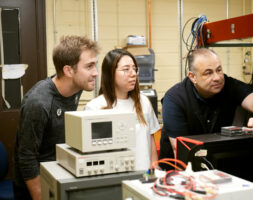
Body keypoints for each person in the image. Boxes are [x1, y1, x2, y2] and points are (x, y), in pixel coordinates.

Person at [13, 35, 99, 200]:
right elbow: (26, 157)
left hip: (58, 173)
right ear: (68, 70)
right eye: (89, 66)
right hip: (33, 184)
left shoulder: (77, 87)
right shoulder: (39, 103)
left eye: (95, 65)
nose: (95, 73)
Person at [159, 48, 253, 167]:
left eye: (219, 70)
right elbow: (180, 151)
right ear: (192, 77)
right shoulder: (175, 99)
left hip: (215, 165)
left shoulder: (230, 86)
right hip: (178, 170)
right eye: (208, 73)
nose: (217, 77)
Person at [85, 49, 160, 170]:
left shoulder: (143, 102)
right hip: (114, 180)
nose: (133, 73)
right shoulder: (95, 108)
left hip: (144, 178)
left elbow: (150, 142)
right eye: (126, 69)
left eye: (134, 69)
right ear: (110, 73)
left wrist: (154, 170)